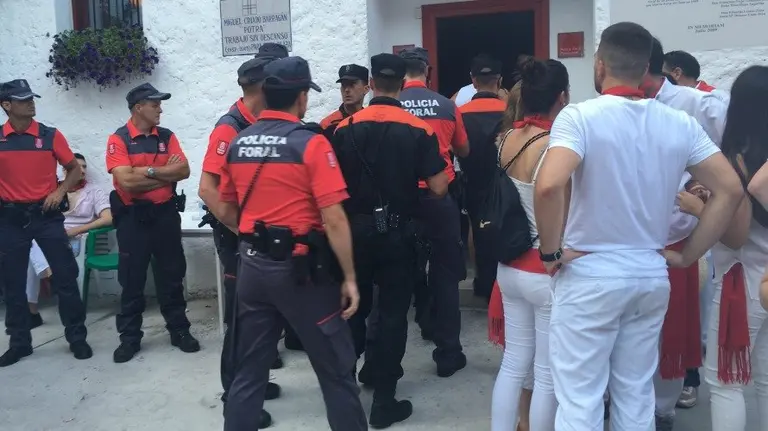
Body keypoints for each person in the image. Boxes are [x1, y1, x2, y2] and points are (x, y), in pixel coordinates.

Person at [534, 22, 744, 430]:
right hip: (648, 272)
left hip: (590, 273)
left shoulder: (579, 117)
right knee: (635, 393)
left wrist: (550, 252)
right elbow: (730, 190)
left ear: (599, 65)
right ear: (648, 66)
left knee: (580, 400)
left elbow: (549, 186)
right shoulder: (677, 123)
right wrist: (687, 254)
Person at [212, 55, 367, 431]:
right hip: (301, 273)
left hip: (252, 266)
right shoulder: (311, 144)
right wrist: (348, 276)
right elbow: (333, 218)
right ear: (301, 97)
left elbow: (223, 203)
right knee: (336, 371)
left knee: (248, 373)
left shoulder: (240, 142)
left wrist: (250, 235)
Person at [332, 52, 448, 428]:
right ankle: (384, 400)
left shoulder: (343, 128)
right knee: (394, 313)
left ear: (372, 84)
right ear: (401, 85)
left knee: (353, 310)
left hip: (353, 232)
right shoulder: (420, 129)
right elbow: (438, 186)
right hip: (398, 233)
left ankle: (346, 393)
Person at [643, 37, 731, 420]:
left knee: (675, 327)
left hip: (677, 233)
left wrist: (704, 186)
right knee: (636, 332)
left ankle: (668, 403)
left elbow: (731, 158)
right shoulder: (612, 109)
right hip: (630, 239)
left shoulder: (694, 103)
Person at [198, 54, 285, 429]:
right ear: (263, 88)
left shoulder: (257, 123)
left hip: (255, 239)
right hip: (237, 239)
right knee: (240, 321)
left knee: (261, 318)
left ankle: (255, 382)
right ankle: (233, 394)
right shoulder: (229, 128)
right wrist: (243, 229)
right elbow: (208, 190)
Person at [491, 57, 569, 431]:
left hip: (509, 265)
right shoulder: (555, 144)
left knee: (513, 364)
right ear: (562, 97)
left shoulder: (506, 138)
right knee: (546, 372)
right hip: (545, 266)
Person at [0, 78, 92, 366]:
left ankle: (77, 338)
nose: (31, 102)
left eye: (31, 98)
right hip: (11, 219)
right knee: (12, 284)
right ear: (7, 105)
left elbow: (74, 169)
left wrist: (60, 190)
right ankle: (19, 343)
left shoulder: (50, 136)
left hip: (46, 216)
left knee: (66, 277)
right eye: (24, 99)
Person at [105, 82, 200, 364]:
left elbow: (183, 170)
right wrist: (163, 173)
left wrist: (145, 170)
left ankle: (179, 331)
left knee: (172, 275)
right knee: (132, 279)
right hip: (133, 219)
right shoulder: (119, 139)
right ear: (138, 108)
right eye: (155, 104)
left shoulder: (167, 136)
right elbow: (126, 181)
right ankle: (130, 338)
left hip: (165, 216)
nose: (160, 109)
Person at [704, 65, 768, 431]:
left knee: (724, 382)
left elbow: (734, 233)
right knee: (764, 377)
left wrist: (702, 208)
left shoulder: (736, 159)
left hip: (739, 282)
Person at [398, 46, 469, 377]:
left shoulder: (390, 106)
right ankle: (448, 352)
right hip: (440, 199)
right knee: (445, 274)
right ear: (427, 70)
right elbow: (464, 149)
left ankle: (417, 327)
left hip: (402, 200)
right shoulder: (446, 105)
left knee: (400, 271)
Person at [22, 152, 112, 329]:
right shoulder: (54, 190)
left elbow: (108, 218)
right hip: (51, 236)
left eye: (85, 167)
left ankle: (42, 288)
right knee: (29, 245)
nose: (83, 170)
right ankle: (44, 283)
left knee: (32, 251)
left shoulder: (94, 191)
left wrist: (74, 231)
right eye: (78, 167)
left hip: (77, 239)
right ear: (66, 170)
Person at [457, 53, 506, 302]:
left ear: (473, 81)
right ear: (499, 81)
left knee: (476, 230)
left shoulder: (459, 113)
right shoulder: (510, 112)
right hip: (505, 182)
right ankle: (502, 282)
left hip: (472, 180)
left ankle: (482, 281)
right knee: (505, 228)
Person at [320, 64, 369, 138]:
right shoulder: (328, 125)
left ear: (366, 89)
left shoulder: (370, 122)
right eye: (344, 85)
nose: (346, 90)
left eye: (352, 84)